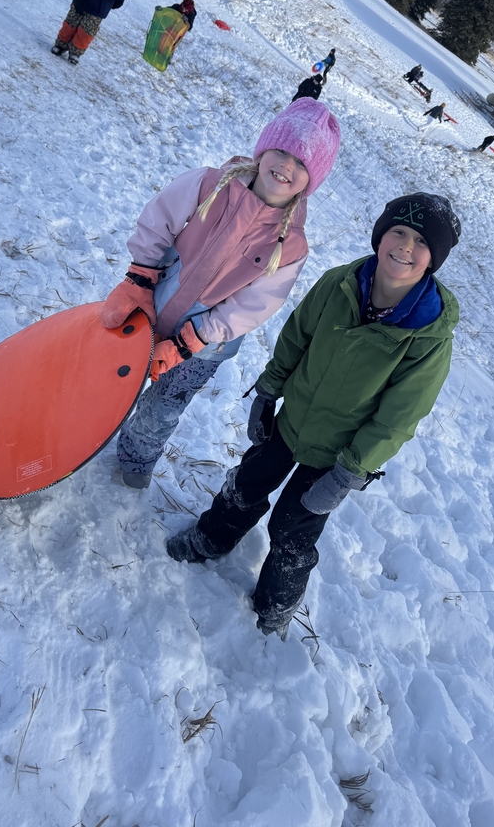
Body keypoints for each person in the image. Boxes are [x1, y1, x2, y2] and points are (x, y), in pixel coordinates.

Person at [167, 193, 461, 638]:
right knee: (245, 484)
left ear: (433, 259)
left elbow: (400, 416)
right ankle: (211, 537)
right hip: (290, 421)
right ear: (381, 236)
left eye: (421, 242)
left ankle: (274, 608)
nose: (406, 246)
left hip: (337, 454)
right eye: (399, 231)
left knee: (294, 529)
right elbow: (296, 337)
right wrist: (269, 389)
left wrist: (350, 472)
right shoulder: (340, 283)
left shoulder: (427, 333)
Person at [101, 99, 341, 490]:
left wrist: (192, 340)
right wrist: (139, 277)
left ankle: (136, 456)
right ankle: (87, 425)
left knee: (164, 405)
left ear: (312, 180)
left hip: (202, 346)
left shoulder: (291, 246)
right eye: (281, 151)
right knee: (111, 371)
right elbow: (159, 218)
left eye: (301, 163)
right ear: (263, 149)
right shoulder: (211, 184)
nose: (286, 166)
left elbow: (253, 305)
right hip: (150, 302)